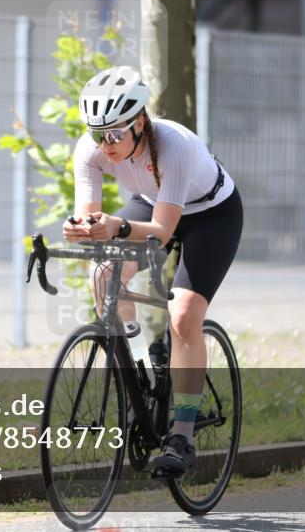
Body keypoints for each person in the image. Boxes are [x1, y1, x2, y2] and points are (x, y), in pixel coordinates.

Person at [63, 65, 243, 474]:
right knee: (103, 275)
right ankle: (148, 364)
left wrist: (117, 226)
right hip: (152, 200)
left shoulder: (173, 145)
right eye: (97, 134)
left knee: (182, 315)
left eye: (114, 134)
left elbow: (161, 233)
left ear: (140, 123)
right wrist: (82, 229)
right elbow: (93, 222)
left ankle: (182, 433)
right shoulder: (90, 151)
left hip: (211, 214)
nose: (104, 144)